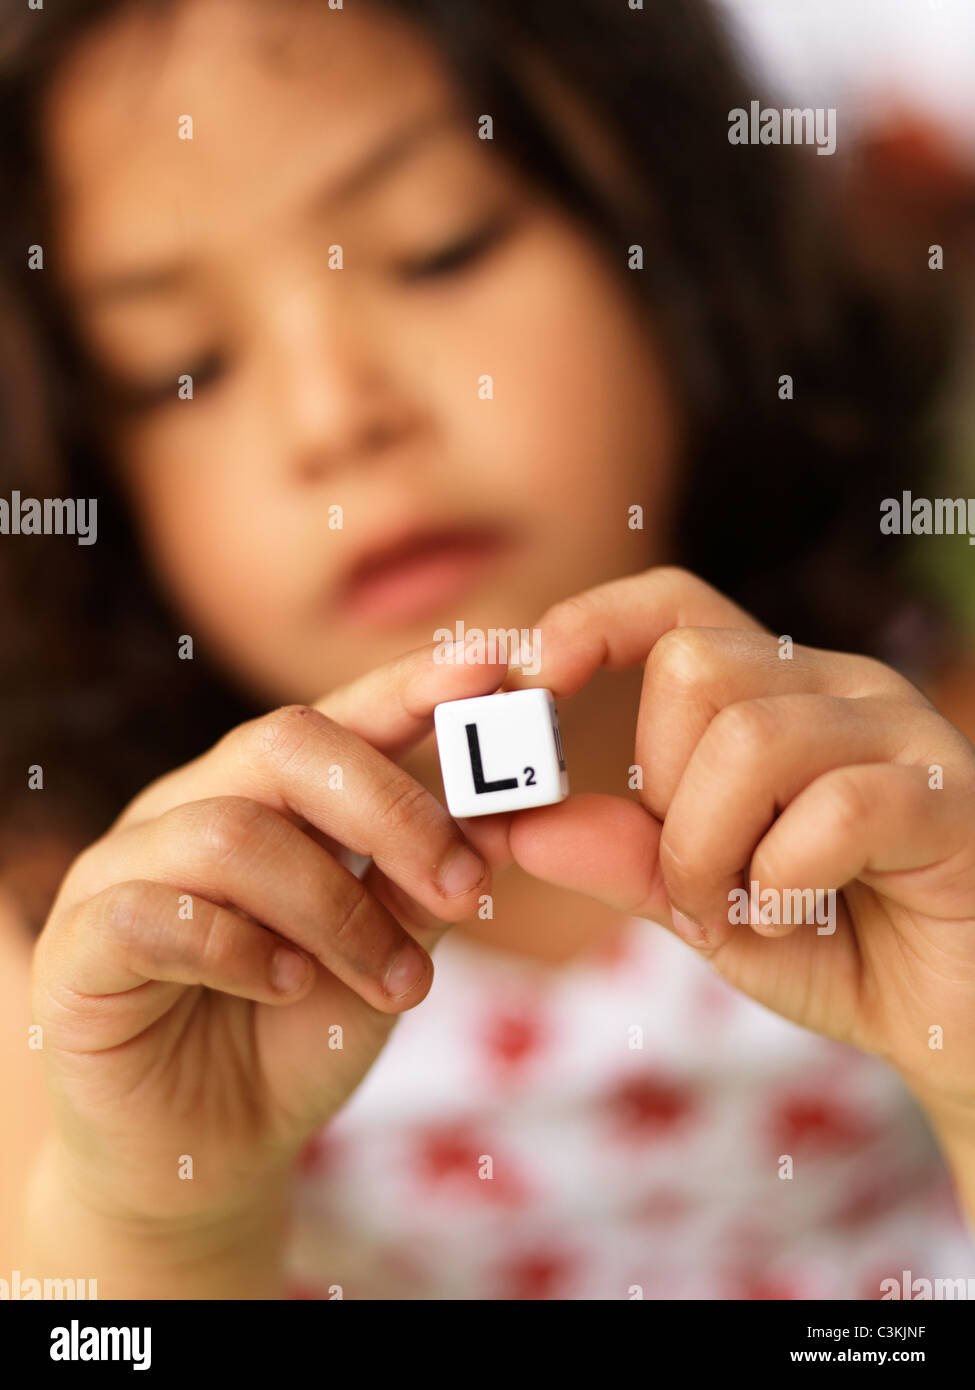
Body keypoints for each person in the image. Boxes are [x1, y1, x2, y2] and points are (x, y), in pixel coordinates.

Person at [1, 0, 974, 1299]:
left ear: (676, 236)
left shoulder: (933, 782)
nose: (336, 415)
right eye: (180, 365)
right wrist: (157, 1225)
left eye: (438, 249)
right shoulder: (76, 949)